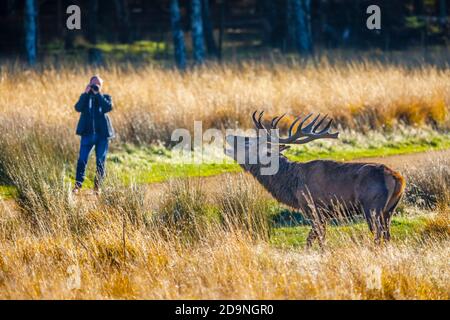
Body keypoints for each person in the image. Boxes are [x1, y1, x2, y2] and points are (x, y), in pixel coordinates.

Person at [72, 75, 115, 194]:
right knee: (82, 159)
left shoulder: (105, 97)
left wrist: (98, 94)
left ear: (101, 86)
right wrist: (85, 93)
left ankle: (97, 187)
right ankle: (77, 185)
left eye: (98, 84)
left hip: (102, 135)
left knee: (100, 161)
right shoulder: (85, 97)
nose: (95, 87)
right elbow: (78, 107)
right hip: (87, 134)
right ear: (89, 84)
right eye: (93, 84)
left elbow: (108, 107)